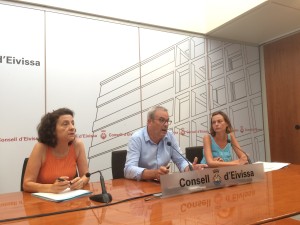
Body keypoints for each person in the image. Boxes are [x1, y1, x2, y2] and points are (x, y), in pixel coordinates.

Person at [124, 105, 207, 181]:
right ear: (149, 122)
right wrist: (154, 174)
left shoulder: (169, 136)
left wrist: (189, 168)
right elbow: (128, 170)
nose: (166, 124)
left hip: (161, 185)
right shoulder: (137, 138)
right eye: (161, 120)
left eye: (167, 121)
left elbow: (181, 161)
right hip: (141, 186)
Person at [23, 108, 89, 193]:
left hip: (69, 199)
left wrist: (82, 182)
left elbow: (86, 175)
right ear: (52, 130)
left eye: (72, 123)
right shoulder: (40, 148)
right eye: (65, 124)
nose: (72, 127)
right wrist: (51, 188)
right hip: (42, 202)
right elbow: (27, 184)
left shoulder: (77, 145)